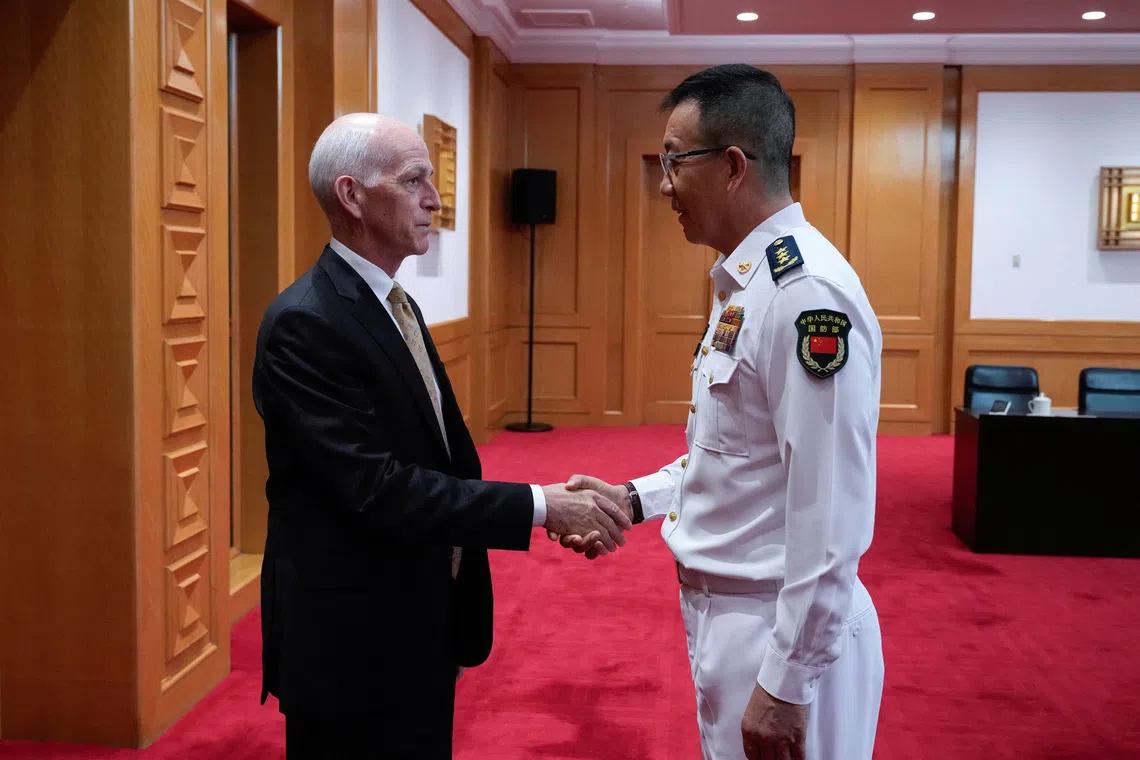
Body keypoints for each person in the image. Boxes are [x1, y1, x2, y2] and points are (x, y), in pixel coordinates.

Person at [252, 112, 631, 759]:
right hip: (351, 642)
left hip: (417, 617)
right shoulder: (304, 324)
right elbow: (376, 489)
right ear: (351, 195)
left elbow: (444, 454)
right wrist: (541, 507)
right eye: (414, 180)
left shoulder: (391, 302)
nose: (435, 197)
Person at [554, 64, 885, 760]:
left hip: (780, 629)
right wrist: (631, 498)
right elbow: (731, 450)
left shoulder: (804, 294)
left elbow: (832, 507)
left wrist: (790, 680)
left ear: (733, 166)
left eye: (675, 161)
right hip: (735, 616)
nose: (664, 184)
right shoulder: (745, 282)